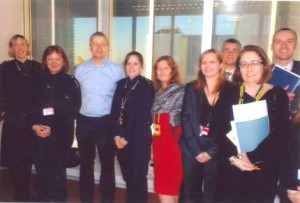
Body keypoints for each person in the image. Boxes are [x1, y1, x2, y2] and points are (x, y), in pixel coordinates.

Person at [217, 45, 290, 203]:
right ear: (239, 68)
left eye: (254, 63)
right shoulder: (228, 93)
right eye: (244, 64)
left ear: (264, 66)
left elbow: (281, 135)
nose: (249, 69)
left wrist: (251, 157)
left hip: (263, 169)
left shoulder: (278, 95)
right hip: (231, 167)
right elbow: (218, 130)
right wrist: (233, 158)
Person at [74, 31, 124, 203]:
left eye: (102, 43)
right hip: (84, 122)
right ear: (90, 47)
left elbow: (121, 99)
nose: (99, 47)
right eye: (95, 43)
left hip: (106, 123)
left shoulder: (117, 71)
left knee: (107, 165)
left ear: (107, 47)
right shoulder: (80, 70)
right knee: (86, 165)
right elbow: (75, 96)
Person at [179, 49, 232, 203]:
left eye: (212, 62)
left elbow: (230, 124)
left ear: (220, 65)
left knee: (212, 192)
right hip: (191, 147)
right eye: (204, 62)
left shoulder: (231, 89)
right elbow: (186, 119)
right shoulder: (191, 88)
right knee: (189, 192)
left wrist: (211, 152)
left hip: (217, 148)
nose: (207, 66)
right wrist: (196, 150)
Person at [31, 45, 81, 202]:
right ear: (45, 61)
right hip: (38, 134)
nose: (54, 62)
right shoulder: (36, 79)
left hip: (61, 136)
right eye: (50, 59)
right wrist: (34, 125)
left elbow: (73, 110)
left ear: (63, 61)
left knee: (58, 173)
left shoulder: (71, 81)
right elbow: (28, 106)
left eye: (57, 59)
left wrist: (52, 128)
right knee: (41, 173)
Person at [0, 34, 41, 201]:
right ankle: (18, 192)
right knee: (12, 158)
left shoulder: (37, 67)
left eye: (23, 44)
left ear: (28, 47)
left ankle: (24, 191)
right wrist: (2, 111)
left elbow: (43, 93)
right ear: (12, 49)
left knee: (27, 157)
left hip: (31, 120)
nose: (20, 48)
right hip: (13, 120)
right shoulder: (5, 68)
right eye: (15, 45)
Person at [111, 51, 155, 203]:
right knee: (128, 176)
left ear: (141, 66)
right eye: (128, 63)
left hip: (138, 139)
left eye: (135, 63)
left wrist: (126, 138)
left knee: (138, 178)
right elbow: (114, 111)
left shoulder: (147, 86)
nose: (131, 67)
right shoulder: (121, 84)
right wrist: (116, 135)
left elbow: (142, 116)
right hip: (120, 138)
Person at [271, 28, 300, 202]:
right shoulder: (261, 72)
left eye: (289, 41)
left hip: (297, 143)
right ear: (272, 45)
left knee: (290, 194)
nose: (283, 46)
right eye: (278, 41)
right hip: (268, 141)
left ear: (296, 45)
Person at [151, 55, 185, 203]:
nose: (162, 71)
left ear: (173, 70)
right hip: (159, 143)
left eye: (166, 67)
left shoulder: (181, 91)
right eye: (159, 68)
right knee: (169, 187)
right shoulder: (156, 93)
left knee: (167, 187)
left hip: (173, 142)